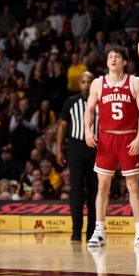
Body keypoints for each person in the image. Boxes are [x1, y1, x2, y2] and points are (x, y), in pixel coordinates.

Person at [84, 46, 139, 248]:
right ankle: (99, 231)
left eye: (117, 56)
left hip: (128, 139)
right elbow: (89, 109)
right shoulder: (98, 83)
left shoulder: (135, 82)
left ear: (125, 62)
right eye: (110, 57)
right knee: (103, 187)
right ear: (106, 62)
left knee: (133, 187)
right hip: (106, 140)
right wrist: (88, 131)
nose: (113, 59)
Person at [56, 71, 97, 242]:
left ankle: (93, 231)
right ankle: (76, 230)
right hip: (76, 148)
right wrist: (59, 150)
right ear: (79, 84)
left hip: (96, 148)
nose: (86, 85)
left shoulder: (101, 101)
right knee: (77, 190)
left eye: (90, 82)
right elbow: (62, 127)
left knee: (95, 191)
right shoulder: (70, 102)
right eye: (83, 82)